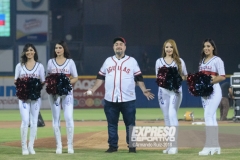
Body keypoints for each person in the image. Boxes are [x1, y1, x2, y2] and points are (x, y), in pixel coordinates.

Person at [84, 37, 154, 153]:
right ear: (113, 47)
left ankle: (132, 147)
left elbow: (138, 77)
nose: (118, 46)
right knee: (112, 125)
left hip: (128, 99)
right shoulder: (108, 61)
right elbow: (101, 77)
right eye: (116, 44)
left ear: (125, 47)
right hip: (110, 99)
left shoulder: (132, 61)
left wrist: (143, 89)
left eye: (121, 44)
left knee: (130, 124)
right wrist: (93, 89)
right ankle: (112, 146)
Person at [155, 39, 187, 154]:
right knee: (167, 118)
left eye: (171, 47)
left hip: (176, 92)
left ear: (174, 48)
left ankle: (175, 146)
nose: (168, 49)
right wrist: (166, 80)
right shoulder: (159, 61)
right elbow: (158, 78)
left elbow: (185, 76)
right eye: (167, 47)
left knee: (172, 115)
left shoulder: (180, 61)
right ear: (164, 48)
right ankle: (169, 145)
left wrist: (176, 79)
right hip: (163, 92)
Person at [47, 40, 78, 154]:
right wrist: (52, 85)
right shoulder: (50, 62)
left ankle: (70, 145)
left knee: (69, 117)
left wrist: (67, 82)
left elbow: (75, 77)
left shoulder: (70, 62)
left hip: (67, 93)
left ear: (64, 49)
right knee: (56, 119)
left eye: (60, 47)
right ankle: (58, 145)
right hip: (54, 94)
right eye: (56, 48)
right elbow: (48, 77)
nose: (57, 50)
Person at [15, 43, 45, 155]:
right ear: (24, 52)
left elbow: (42, 81)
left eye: (31, 50)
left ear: (35, 52)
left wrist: (35, 87)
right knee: (25, 121)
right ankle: (24, 147)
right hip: (23, 98)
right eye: (27, 50)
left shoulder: (40, 66)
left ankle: (31, 146)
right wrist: (24, 86)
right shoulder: (19, 66)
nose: (29, 52)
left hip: (35, 98)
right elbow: (15, 81)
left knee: (33, 122)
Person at [198, 39, 225, 156]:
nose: (206, 48)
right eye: (204, 46)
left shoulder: (217, 60)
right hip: (204, 92)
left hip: (214, 91)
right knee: (212, 118)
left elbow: (222, 76)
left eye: (208, 46)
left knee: (208, 116)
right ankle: (216, 147)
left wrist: (209, 82)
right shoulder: (202, 61)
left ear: (213, 47)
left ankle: (208, 146)